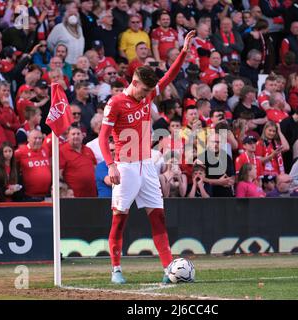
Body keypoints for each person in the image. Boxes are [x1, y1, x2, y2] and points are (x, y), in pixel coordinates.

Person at [98, 30, 196, 284]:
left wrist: (184, 52)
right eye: (145, 90)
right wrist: (111, 166)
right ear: (135, 81)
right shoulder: (116, 103)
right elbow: (102, 137)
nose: (147, 96)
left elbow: (169, 75)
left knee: (158, 216)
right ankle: (116, 270)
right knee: (120, 218)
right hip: (126, 166)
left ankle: (168, 270)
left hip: (147, 165)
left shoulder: (149, 93)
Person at [60, 124, 97, 198]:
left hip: (92, 195)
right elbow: (59, 174)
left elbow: (95, 168)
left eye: (78, 134)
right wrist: (66, 189)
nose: (76, 136)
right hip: (73, 196)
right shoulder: (62, 151)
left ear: (82, 136)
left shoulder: (88, 150)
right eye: (73, 134)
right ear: (68, 137)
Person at [14, 129, 51, 201]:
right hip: (29, 196)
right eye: (35, 138)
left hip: (47, 195)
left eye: (40, 138)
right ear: (28, 139)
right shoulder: (20, 152)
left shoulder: (45, 149)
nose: (38, 141)